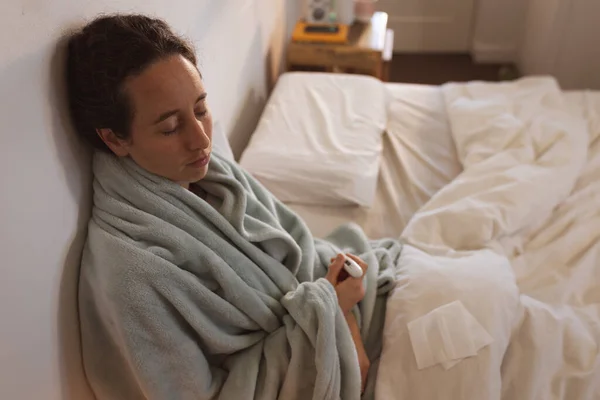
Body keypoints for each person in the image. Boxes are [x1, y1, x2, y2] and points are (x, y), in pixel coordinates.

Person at [67, 14, 401, 400]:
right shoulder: (130, 275)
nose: (200, 140)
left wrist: (335, 298)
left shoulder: (210, 175)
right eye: (171, 127)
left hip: (359, 311)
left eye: (201, 108)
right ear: (114, 139)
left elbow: (299, 249)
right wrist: (334, 310)